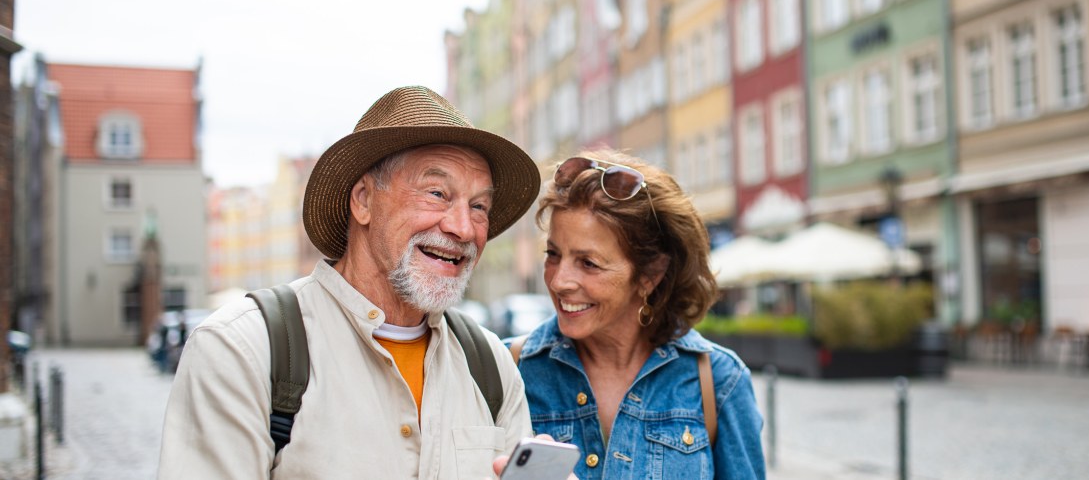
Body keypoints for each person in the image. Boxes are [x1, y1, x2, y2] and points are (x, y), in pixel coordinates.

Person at [158, 86, 544, 479]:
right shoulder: (244, 350)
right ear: (362, 200)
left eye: (479, 206)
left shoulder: (491, 366)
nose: (463, 228)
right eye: (437, 193)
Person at [512, 150, 766, 479]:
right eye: (553, 254)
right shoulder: (508, 370)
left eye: (588, 263)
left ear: (650, 274)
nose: (559, 281)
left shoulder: (719, 382)